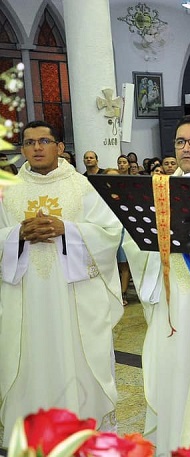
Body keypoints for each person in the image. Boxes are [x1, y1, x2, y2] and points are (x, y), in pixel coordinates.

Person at [0, 120, 123, 443]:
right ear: (22, 149)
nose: (36, 148)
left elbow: (111, 234)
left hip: (74, 300)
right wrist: (16, 235)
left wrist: (67, 229)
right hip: (25, 299)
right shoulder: (8, 191)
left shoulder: (84, 187)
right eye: (29, 143)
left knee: (77, 359)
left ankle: (80, 431)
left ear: (59, 147)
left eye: (44, 141)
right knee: (28, 361)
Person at [123, 114, 190, 456]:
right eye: (180, 142)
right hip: (174, 302)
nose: (186, 148)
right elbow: (134, 240)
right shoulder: (157, 191)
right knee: (176, 375)